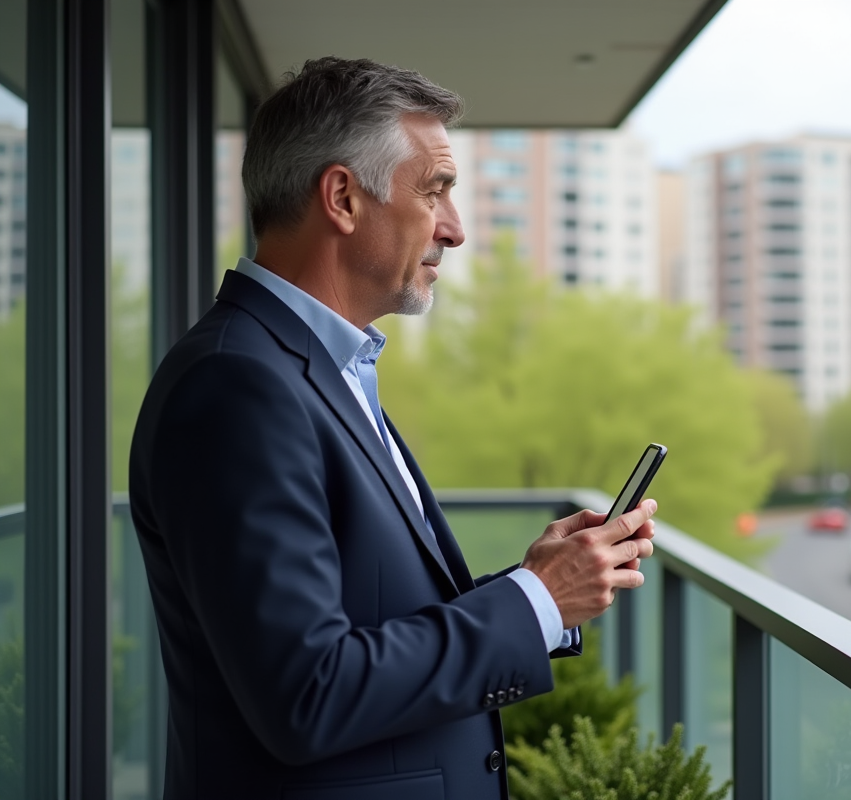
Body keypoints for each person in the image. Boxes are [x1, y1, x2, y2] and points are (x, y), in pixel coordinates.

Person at [128, 57, 657, 800]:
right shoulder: (237, 385)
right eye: (435, 190)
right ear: (342, 197)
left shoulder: (315, 369)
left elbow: (373, 624)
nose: (457, 229)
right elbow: (307, 694)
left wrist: (543, 583)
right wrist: (534, 602)